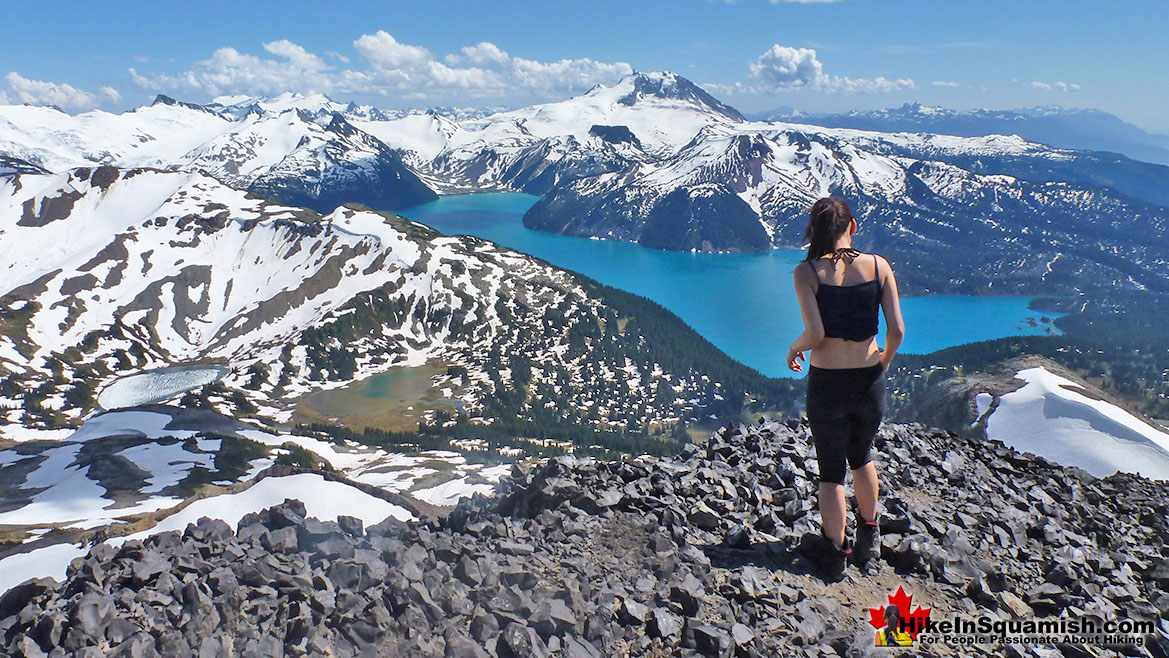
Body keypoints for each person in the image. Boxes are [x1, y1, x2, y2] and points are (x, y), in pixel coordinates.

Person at [787, 197, 905, 581]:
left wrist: (794, 347)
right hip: (869, 380)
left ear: (814, 232)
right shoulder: (878, 266)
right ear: (852, 227)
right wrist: (881, 363)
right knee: (862, 456)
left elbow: (816, 334)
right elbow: (897, 331)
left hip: (828, 383)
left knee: (830, 472)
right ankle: (869, 535)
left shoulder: (806, 273)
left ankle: (834, 550)